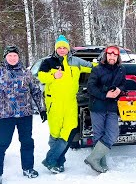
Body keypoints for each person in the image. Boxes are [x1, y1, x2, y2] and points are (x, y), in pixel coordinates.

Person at [0, 45, 47, 184]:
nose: (12, 58)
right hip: (6, 116)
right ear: (5, 57)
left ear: (18, 57)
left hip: (25, 114)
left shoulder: (26, 73)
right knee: (1, 144)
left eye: (15, 55)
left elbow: (36, 91)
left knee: (27, 142)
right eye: (10, 55)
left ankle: (28, 168)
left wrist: (42, 109)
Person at [37, 35, 93, 174]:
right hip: (54, 102)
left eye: (64, 47)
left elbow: (92, 67)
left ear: (68, 49)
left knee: (69, 130)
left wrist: (107, 64)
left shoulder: (76, 62)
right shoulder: (48, 62)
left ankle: (50, 160)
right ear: (56, 49)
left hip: (70, 102)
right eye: (59, 48)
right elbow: (40, 76)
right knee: (55, 133)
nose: (62, 50)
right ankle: (59, 162)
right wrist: (53, 76)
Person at [84, 45, 126, 173]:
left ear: (117, 57)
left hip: (112, 106)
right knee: (99, 134)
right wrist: (105, 94)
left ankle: (93, 158)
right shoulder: (97, 69)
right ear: (105, 56)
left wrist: (120, 89)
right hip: (98, 106)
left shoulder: (121, 70)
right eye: (109, 54)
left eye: (115, 55)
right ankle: (100, 162)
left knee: (113, 134)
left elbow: (123, 83)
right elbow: (90, 87)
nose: (112, 57)